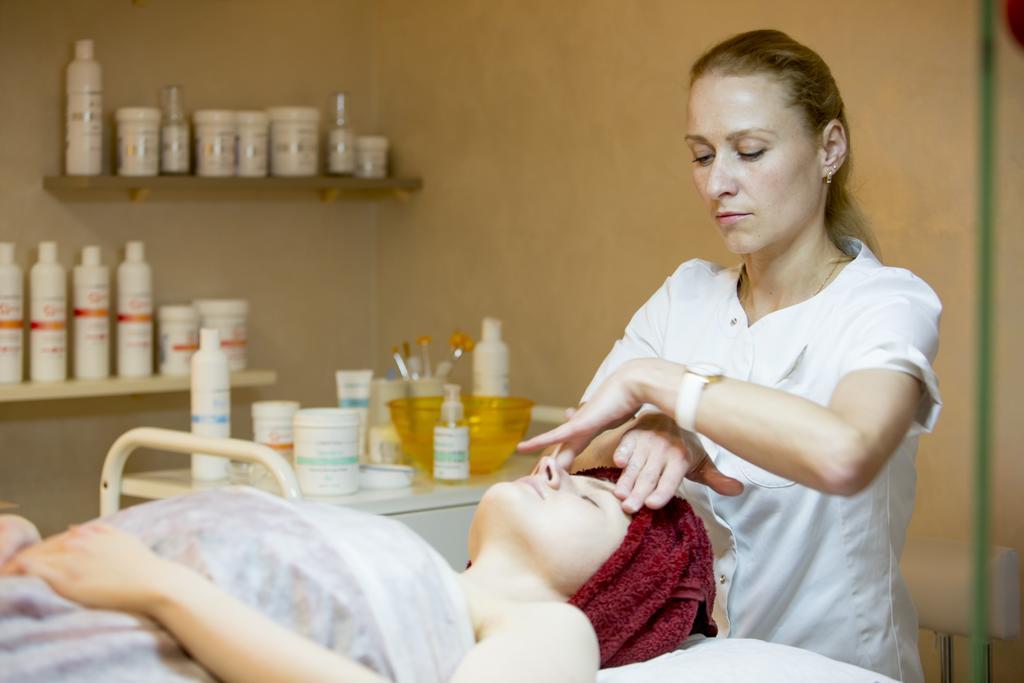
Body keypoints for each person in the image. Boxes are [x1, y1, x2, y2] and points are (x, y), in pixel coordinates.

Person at [520, 29, 941, 683]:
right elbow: (581, 460)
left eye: (750, 151)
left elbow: (845, 451)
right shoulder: (684, 297)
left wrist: (666, 388)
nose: (718, 182)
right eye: (701, 154)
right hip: (692, 665)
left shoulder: (886, 305)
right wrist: (656, 429)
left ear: (829, 148)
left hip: (840, 670)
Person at [0, 457, 716, 683]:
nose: (558, 469)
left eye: (592, 496)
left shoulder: (556, 627)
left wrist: (160, 586)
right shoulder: (414, 573)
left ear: (620, 581)